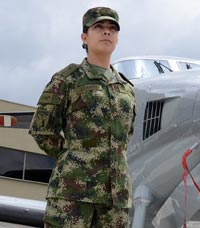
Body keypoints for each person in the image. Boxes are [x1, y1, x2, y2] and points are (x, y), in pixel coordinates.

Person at [29, 6, 136, 228]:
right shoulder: (67, 80)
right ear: (84, 37)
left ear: (117, 39)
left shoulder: (127, 89)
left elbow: (125, 137)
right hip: (73, 194)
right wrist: (72, 158)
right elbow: (42, 130)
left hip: (116, 199)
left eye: (112, 29)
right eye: (99, 27)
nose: (107, 32)